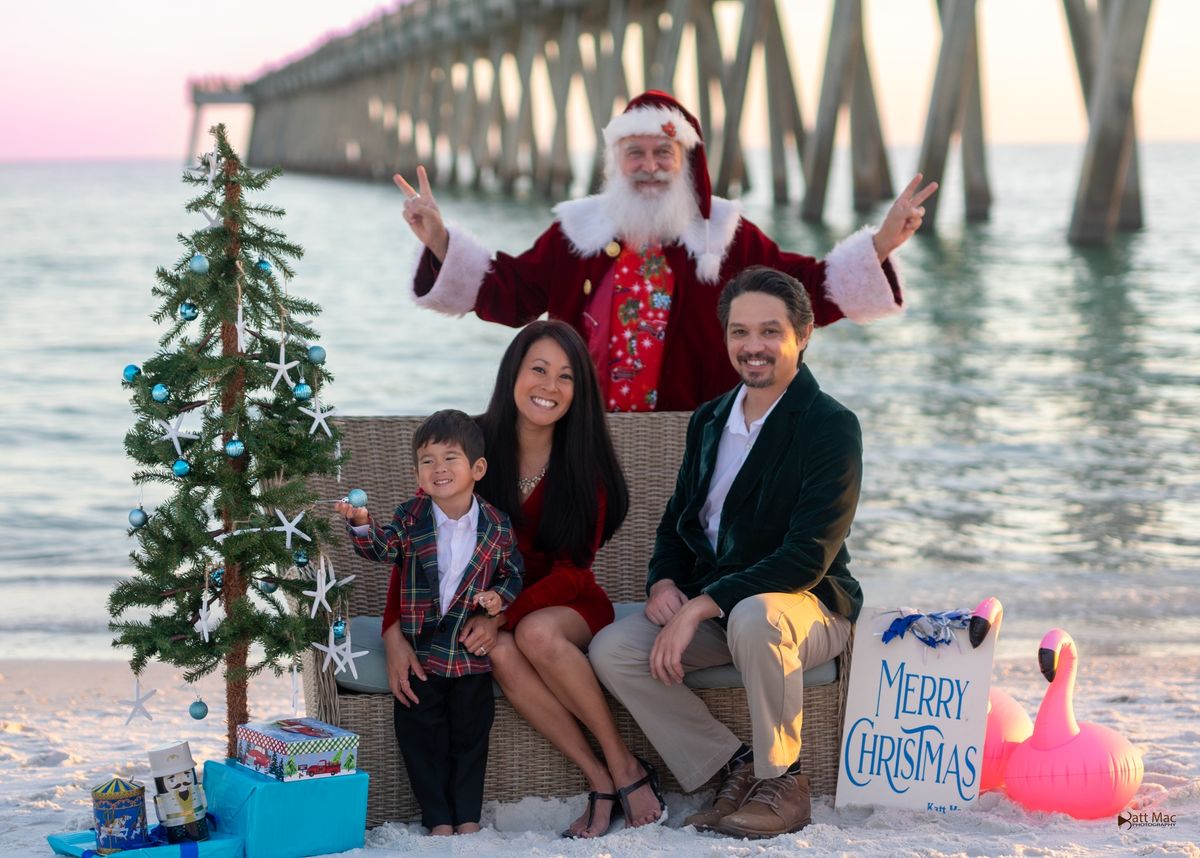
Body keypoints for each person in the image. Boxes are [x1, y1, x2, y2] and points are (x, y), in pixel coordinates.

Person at [396, 90, 935, 412]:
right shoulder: (577, 231)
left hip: (695, 428)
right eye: (635, 153)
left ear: (685, 161)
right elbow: (511, 293)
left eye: (662, 152)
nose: (649, 165)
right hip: (588, 427)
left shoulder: (726, 236)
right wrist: (441, 241)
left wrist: (882, 243)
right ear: (616, 160)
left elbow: (805, 290)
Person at [589, 266, 863, 839]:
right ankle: (732, 767)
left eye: (770, 331)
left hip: (807, 607)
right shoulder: (711, 418)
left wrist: (699, 605)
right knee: (614, 649)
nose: (753, 346)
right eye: (740, 332)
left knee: (756, 613)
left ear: (804, 333)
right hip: (724, 610)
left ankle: (783, 782)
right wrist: (665, 585)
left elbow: (806, 555)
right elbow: (676, 522)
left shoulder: (830, 426)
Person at [451, 319, 668, 837]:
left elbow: (575, 572)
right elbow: (425, 533)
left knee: (533, 633)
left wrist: (505, 613)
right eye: (539, 370)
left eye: (565, 377)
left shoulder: (582, 461)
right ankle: (599, 779)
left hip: (570, 602)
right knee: (500, 650)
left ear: (579, 391)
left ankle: (624, 763)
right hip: (494, 605)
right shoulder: (473, 442)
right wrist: (400, 627)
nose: (549, 387)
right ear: (513, 374)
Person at [336, 409, 524, 836]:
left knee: (472, 738)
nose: (439, 469)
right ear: (417, 471)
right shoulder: (410, 516)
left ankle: (468, 817)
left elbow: (513, 573)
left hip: (470, 654)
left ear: (477, 468)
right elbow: (382, 551)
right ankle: (438, 819)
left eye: (450, 458)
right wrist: (363, 526)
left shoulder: (495, 525)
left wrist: (498, 599)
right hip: (422, 651)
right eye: (428, 460)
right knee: (422, 738)